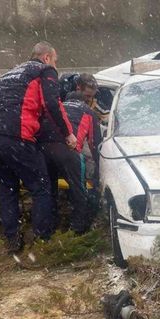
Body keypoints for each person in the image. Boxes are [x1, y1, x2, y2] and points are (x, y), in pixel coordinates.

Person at [0, 41, 76, 254]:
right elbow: (53, 104)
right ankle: (43, 239)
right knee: (41, 186)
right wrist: (68, 134)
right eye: (55, 59)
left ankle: (12, 240)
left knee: (8, 189)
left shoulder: (9, 74)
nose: (55, 64)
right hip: (16, 136)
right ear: (46, 57)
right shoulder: (45, 70)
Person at [38, 91, 100, 234]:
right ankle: (77, 229)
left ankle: (48, 230)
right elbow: (94, 143)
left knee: (47, 190)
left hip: (43, 149)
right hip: (67, 150)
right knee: (78, 190)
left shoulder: (60, 107)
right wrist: (98, 170)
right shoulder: (88, 112)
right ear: (86, 101)